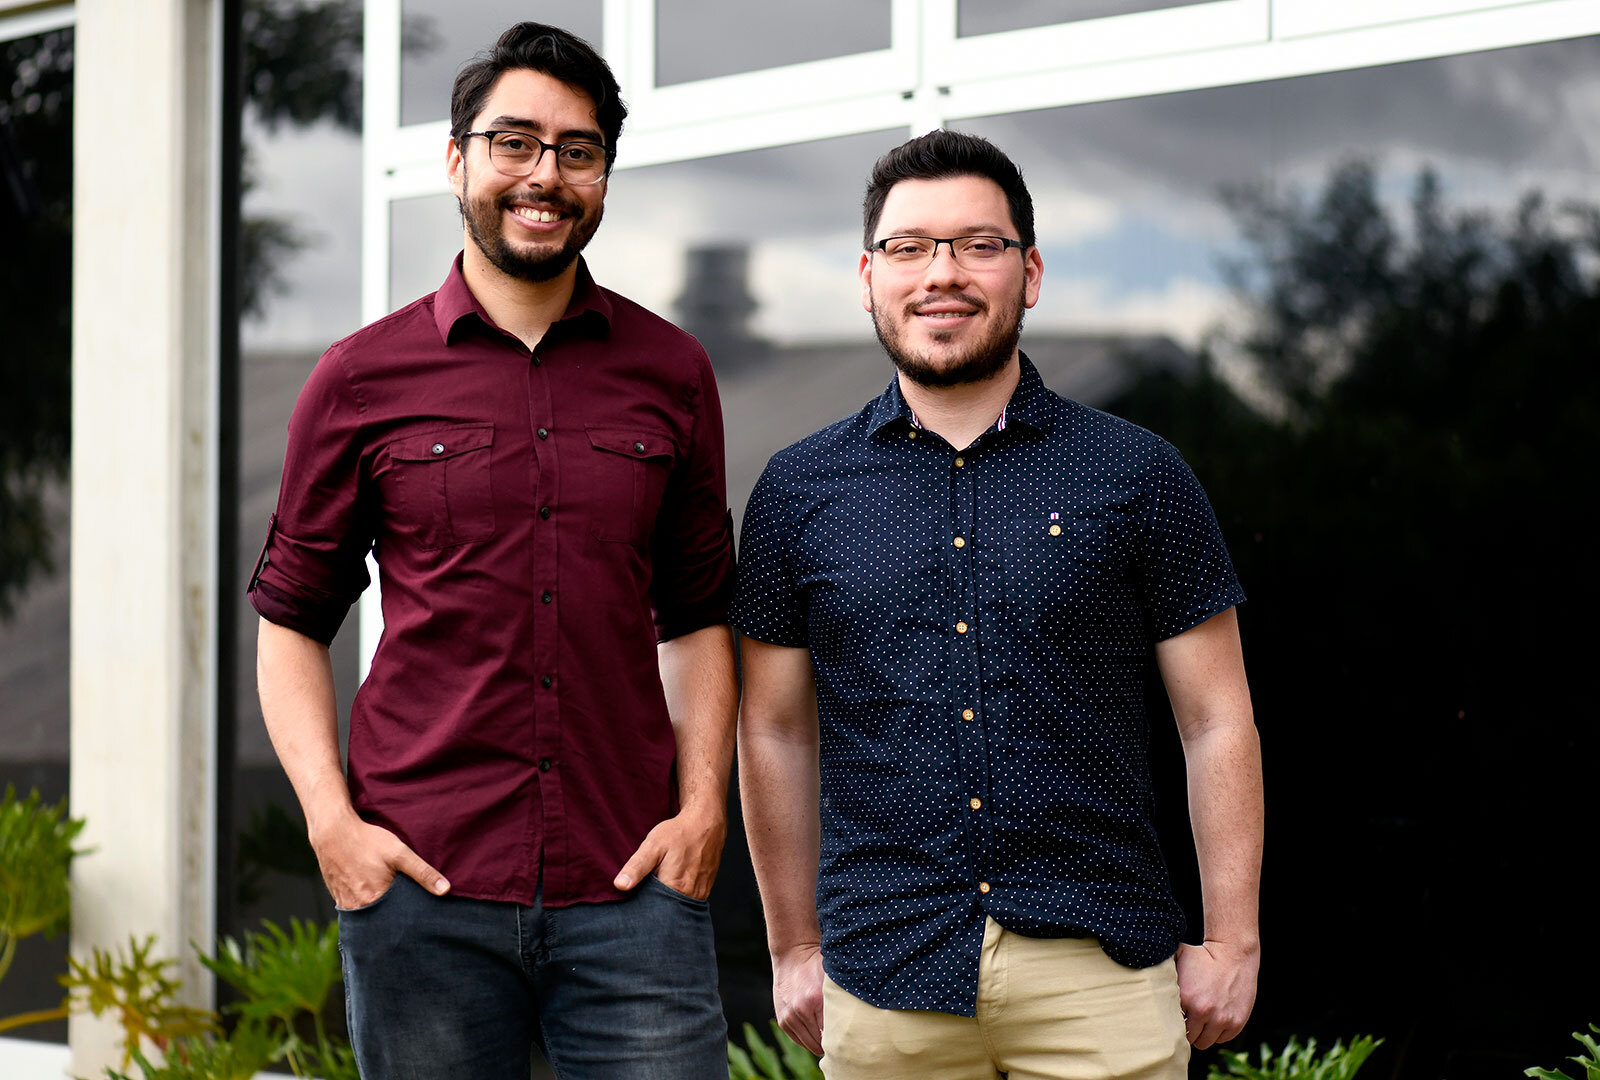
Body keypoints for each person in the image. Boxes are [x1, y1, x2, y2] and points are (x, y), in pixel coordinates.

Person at [249, 22, 736, 1080]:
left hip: (632, 890)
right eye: (514, 141)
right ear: (457, 159)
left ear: (604, 173)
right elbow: (290, 623)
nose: (543, 174)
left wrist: (703, 813)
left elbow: (697, 620)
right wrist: (333, 827)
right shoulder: (357, 380)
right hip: (419, 889)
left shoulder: (674, 371)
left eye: (577, 149)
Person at [733, 129, 1263, 1080]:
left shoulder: (1139, 474)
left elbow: (1217, 719)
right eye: (910, 247)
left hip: (1102, 976)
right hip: (886, 978)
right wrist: (790, 945)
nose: (944, 272)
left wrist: (1233, 942)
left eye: (980, 244)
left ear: (1031, 271)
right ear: (867, 275)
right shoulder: (796, 490)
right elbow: (772, 731)